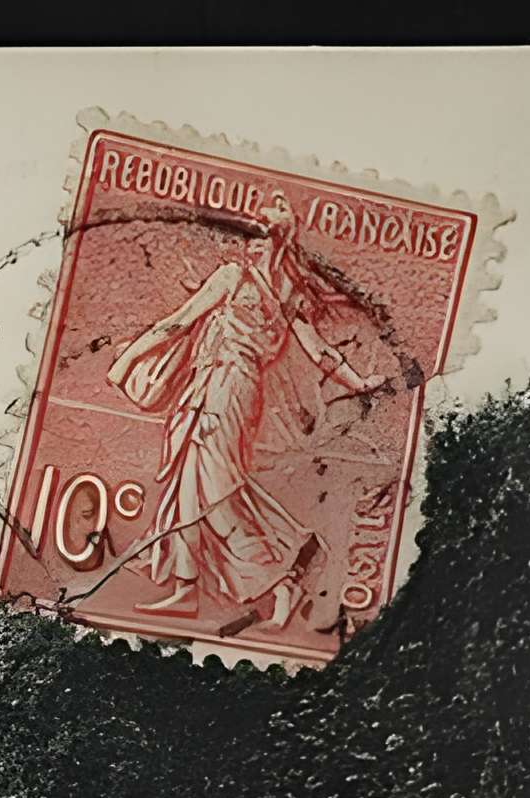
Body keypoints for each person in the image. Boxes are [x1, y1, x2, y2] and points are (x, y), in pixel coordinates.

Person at [106, 192, 390, 628]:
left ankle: (274, 574)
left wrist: (125, 362)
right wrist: (359, 382)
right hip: (220, 389)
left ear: (278, 240)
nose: (250, 241)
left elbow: (179, 322)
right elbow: (319, 353)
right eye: (250, 233)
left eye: (259, 233)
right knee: (191, 487)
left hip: (223, 391)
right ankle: (195, 589)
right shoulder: (271, 288)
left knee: (212, 492)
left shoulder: (241, 280)